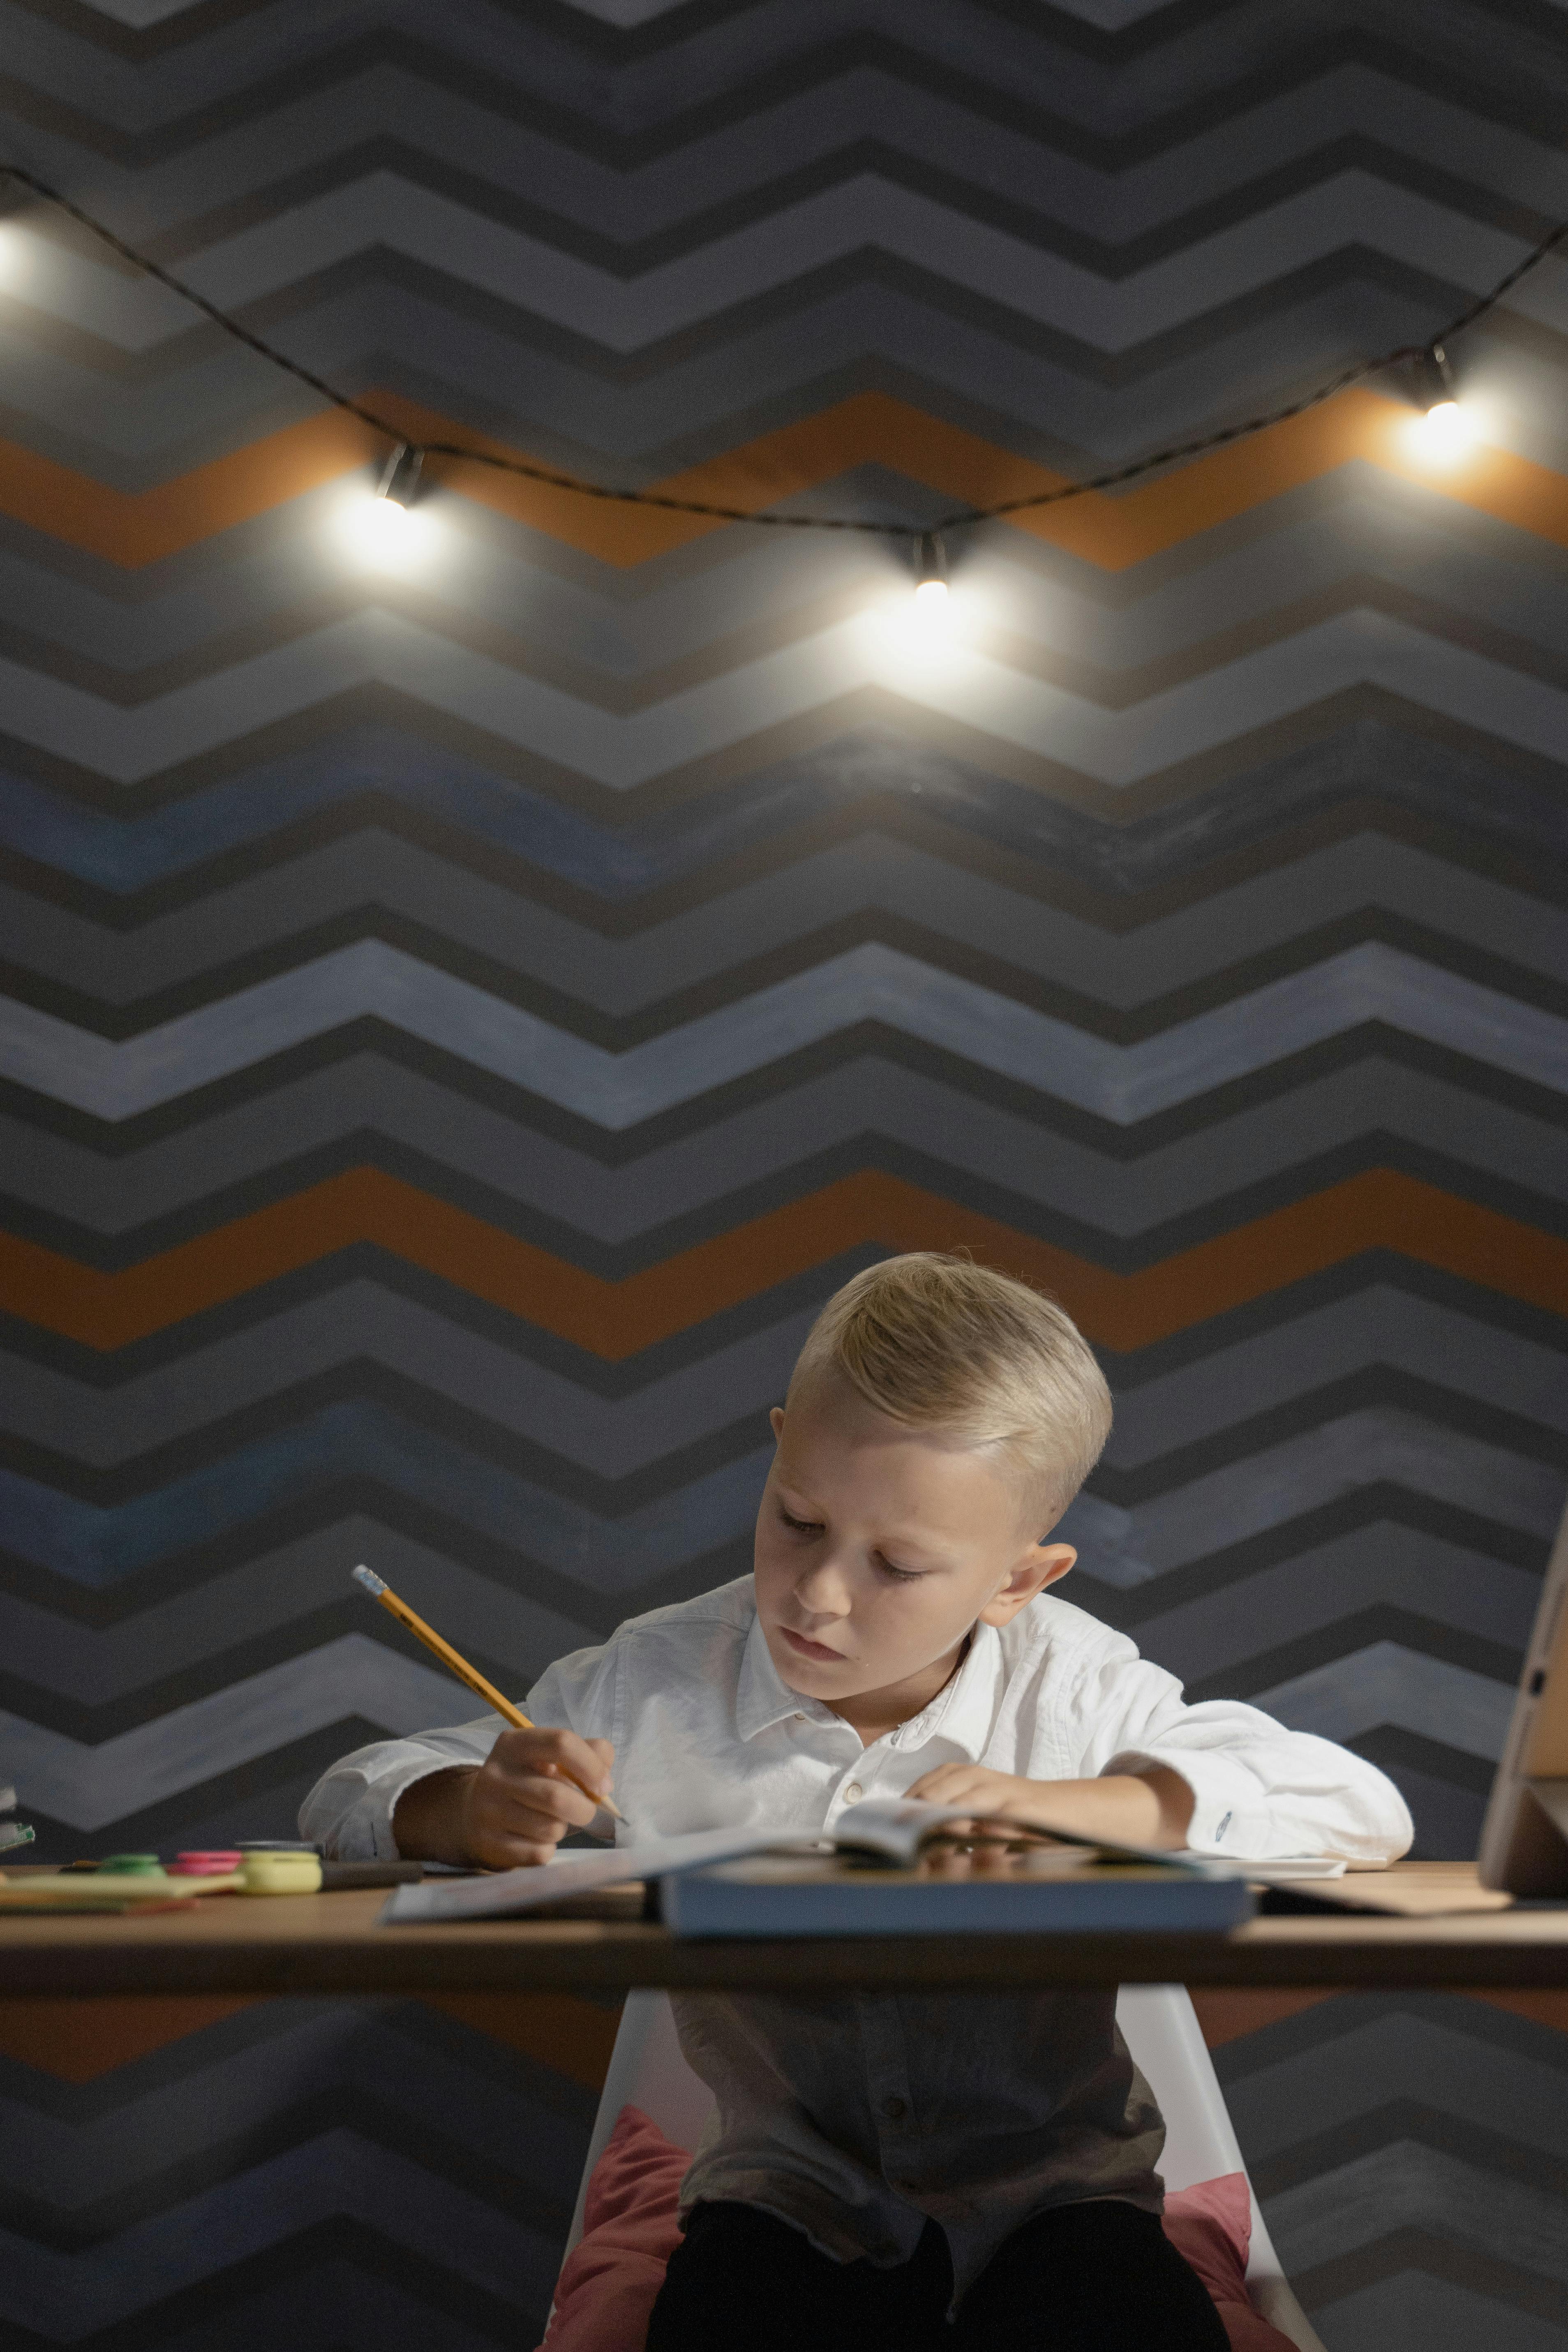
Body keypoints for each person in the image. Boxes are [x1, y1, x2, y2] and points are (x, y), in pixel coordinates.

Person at [303, 1253, 1412, 2350]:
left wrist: (1090, 1807)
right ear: (781, 1442)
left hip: (1057, 2204)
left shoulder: (1077, 1688)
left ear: (1020, 1579)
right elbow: (351, 1792)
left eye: (897, 1562)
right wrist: (460, 1807)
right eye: (797, 1519)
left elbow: (1360, 1806)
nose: (820, 1593)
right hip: (786, 2201)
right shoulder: (654, 1681)